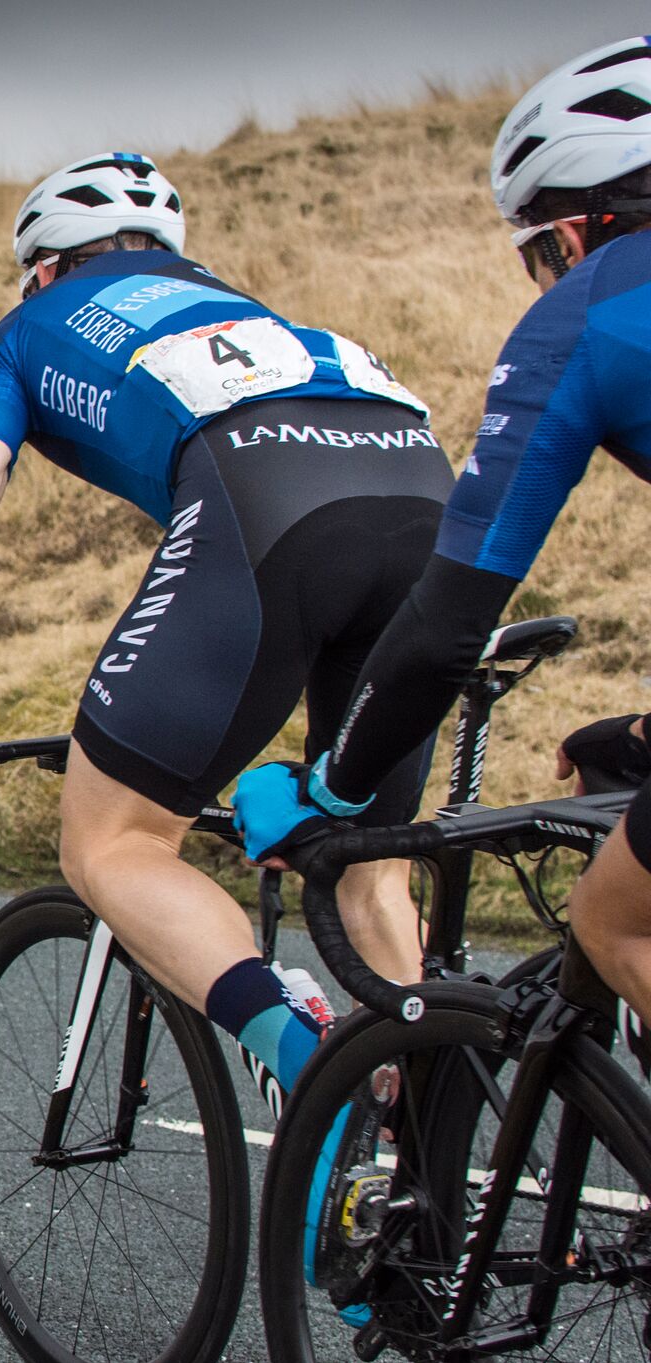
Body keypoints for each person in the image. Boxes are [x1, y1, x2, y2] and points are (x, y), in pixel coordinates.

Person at [0, 151, 453, 1109]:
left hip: (266, 513)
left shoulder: (24, 330)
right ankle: (421, 1159)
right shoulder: (236, 306)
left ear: (43, 268)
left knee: (113, 843)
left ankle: (308, 1059)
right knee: (370, 861)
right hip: (422, 494)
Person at [233, 37, 651, 1023]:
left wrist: (331, 790)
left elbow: (447, 620)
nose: (544, 276)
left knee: (615, 923)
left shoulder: (586, 317)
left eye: (541, 249)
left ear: (589, 222)